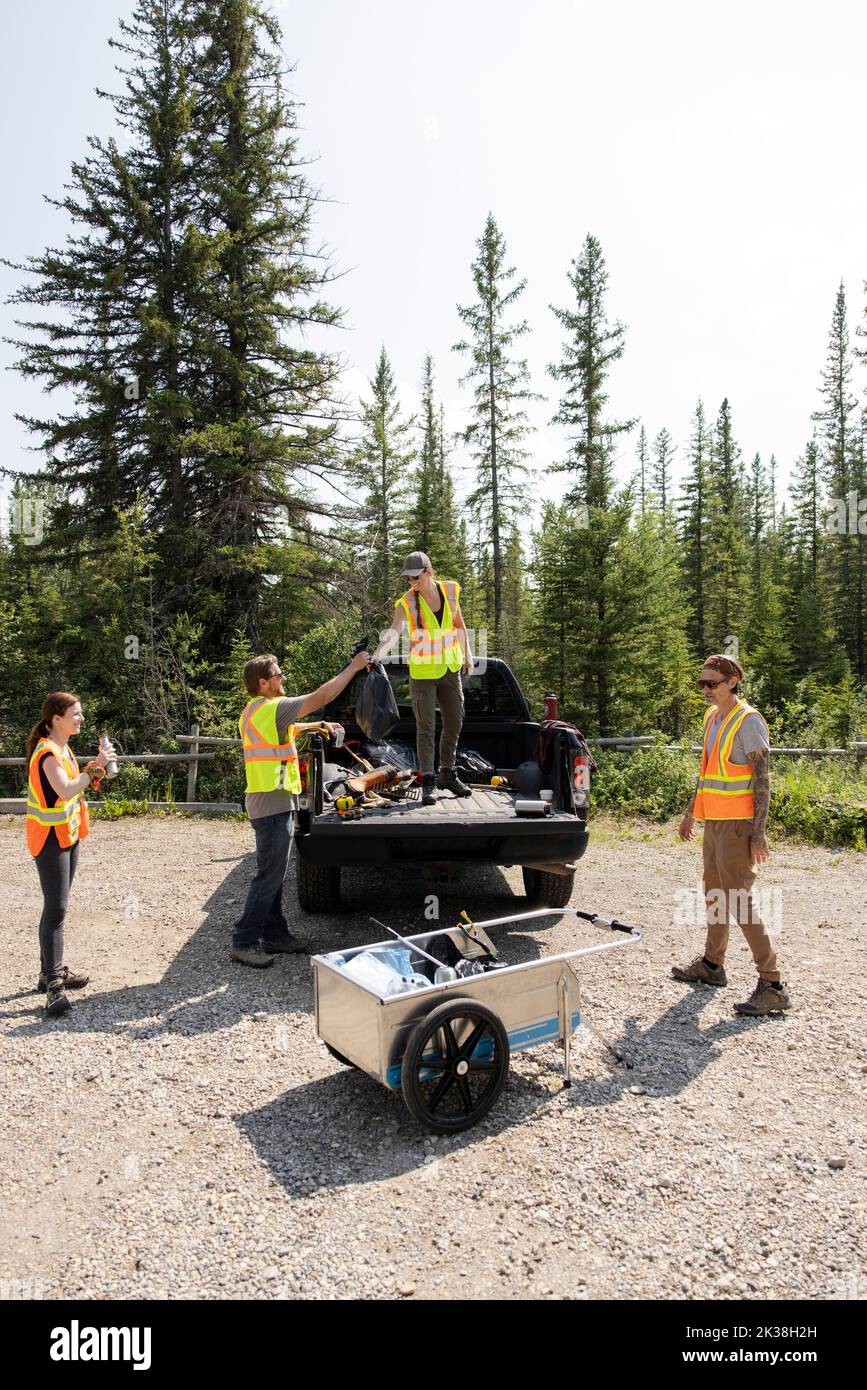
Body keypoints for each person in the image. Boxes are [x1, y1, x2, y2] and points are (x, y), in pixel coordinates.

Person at [232, 648, 370, 967]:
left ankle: (275, 934)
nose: (283, 678)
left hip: (269, 797)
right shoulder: (274, 707)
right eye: (278, 674)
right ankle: (244, 940)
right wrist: (353, 667)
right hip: (272, 800)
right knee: (269, 875)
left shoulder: (253, 711)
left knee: (274, 873)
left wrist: (314, 725)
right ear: (264, 683)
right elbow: (323, 695)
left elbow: (287, 731)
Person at [673, 654, 791, 1015]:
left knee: (739, 899)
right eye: (702, 683)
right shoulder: (712, 717)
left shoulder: (749, 721)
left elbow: (763, 780)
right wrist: (692, 812)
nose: (705, 689)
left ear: (732, 682)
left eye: (712, 683)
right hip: (714, 823)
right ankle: (712, 966)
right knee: (713, 895)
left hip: (739, 826)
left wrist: (759, 833)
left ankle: (772, 984)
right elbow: (706, 771)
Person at [25, 693, 117, 1017]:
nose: (80, 718)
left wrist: (96, 769)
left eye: (80, 714)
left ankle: (49, 971)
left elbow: (73, 788)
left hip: (67, 834)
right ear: (56, 719)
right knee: (57, 909)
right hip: (50, 840)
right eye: (75, 714)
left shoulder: (63, 747)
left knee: (58, 907)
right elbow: (65, 789)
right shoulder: (47, 752)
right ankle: (53, 986)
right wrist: (96, 768)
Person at [372, 551, 474, 806]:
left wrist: (468, 656)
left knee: (455, 721)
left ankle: (447, 774)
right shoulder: (406, 602)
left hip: (450, 668)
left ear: (429, 571)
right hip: (423, 673)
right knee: (426, 728)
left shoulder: (450, 592)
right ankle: (428, 780)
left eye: (415, 577)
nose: (411, 582)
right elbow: (393, 632)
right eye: (407, 578)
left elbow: (459, 626)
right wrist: (377, 654)